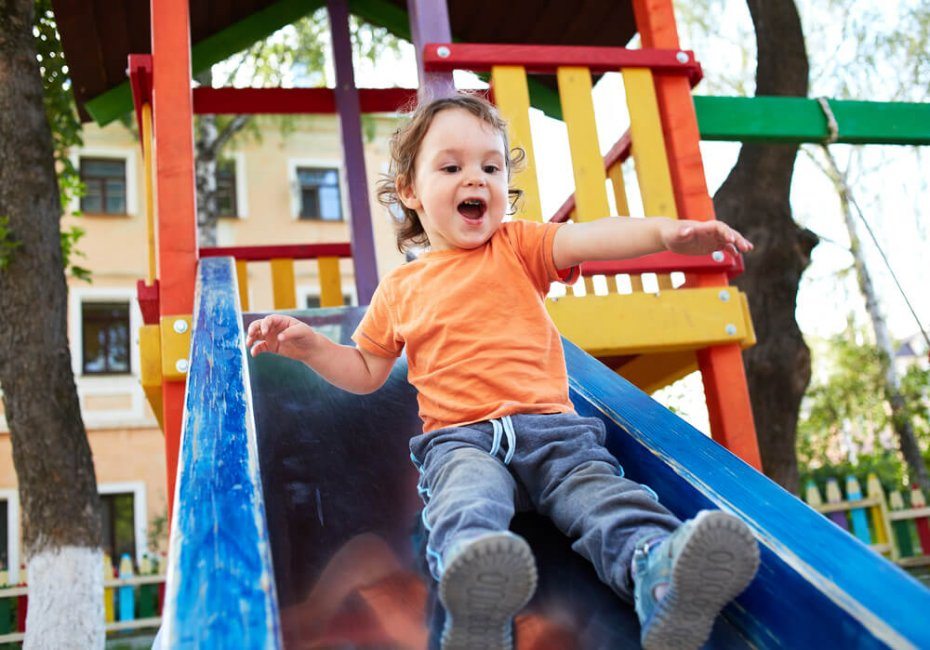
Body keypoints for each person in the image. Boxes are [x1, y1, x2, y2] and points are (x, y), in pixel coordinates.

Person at [246, 93, 759, 650]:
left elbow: (591, 237)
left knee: (603, 496)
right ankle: (476, 599)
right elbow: (368, 369)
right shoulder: (400, 288)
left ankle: (658, 576)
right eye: (452, 166)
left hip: (554, 434)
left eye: (490, 167)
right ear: (410, 192)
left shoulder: (518, 246)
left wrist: (664, 234)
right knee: (464, 504)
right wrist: (313, 347)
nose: (477, 179)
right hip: (461, 441)